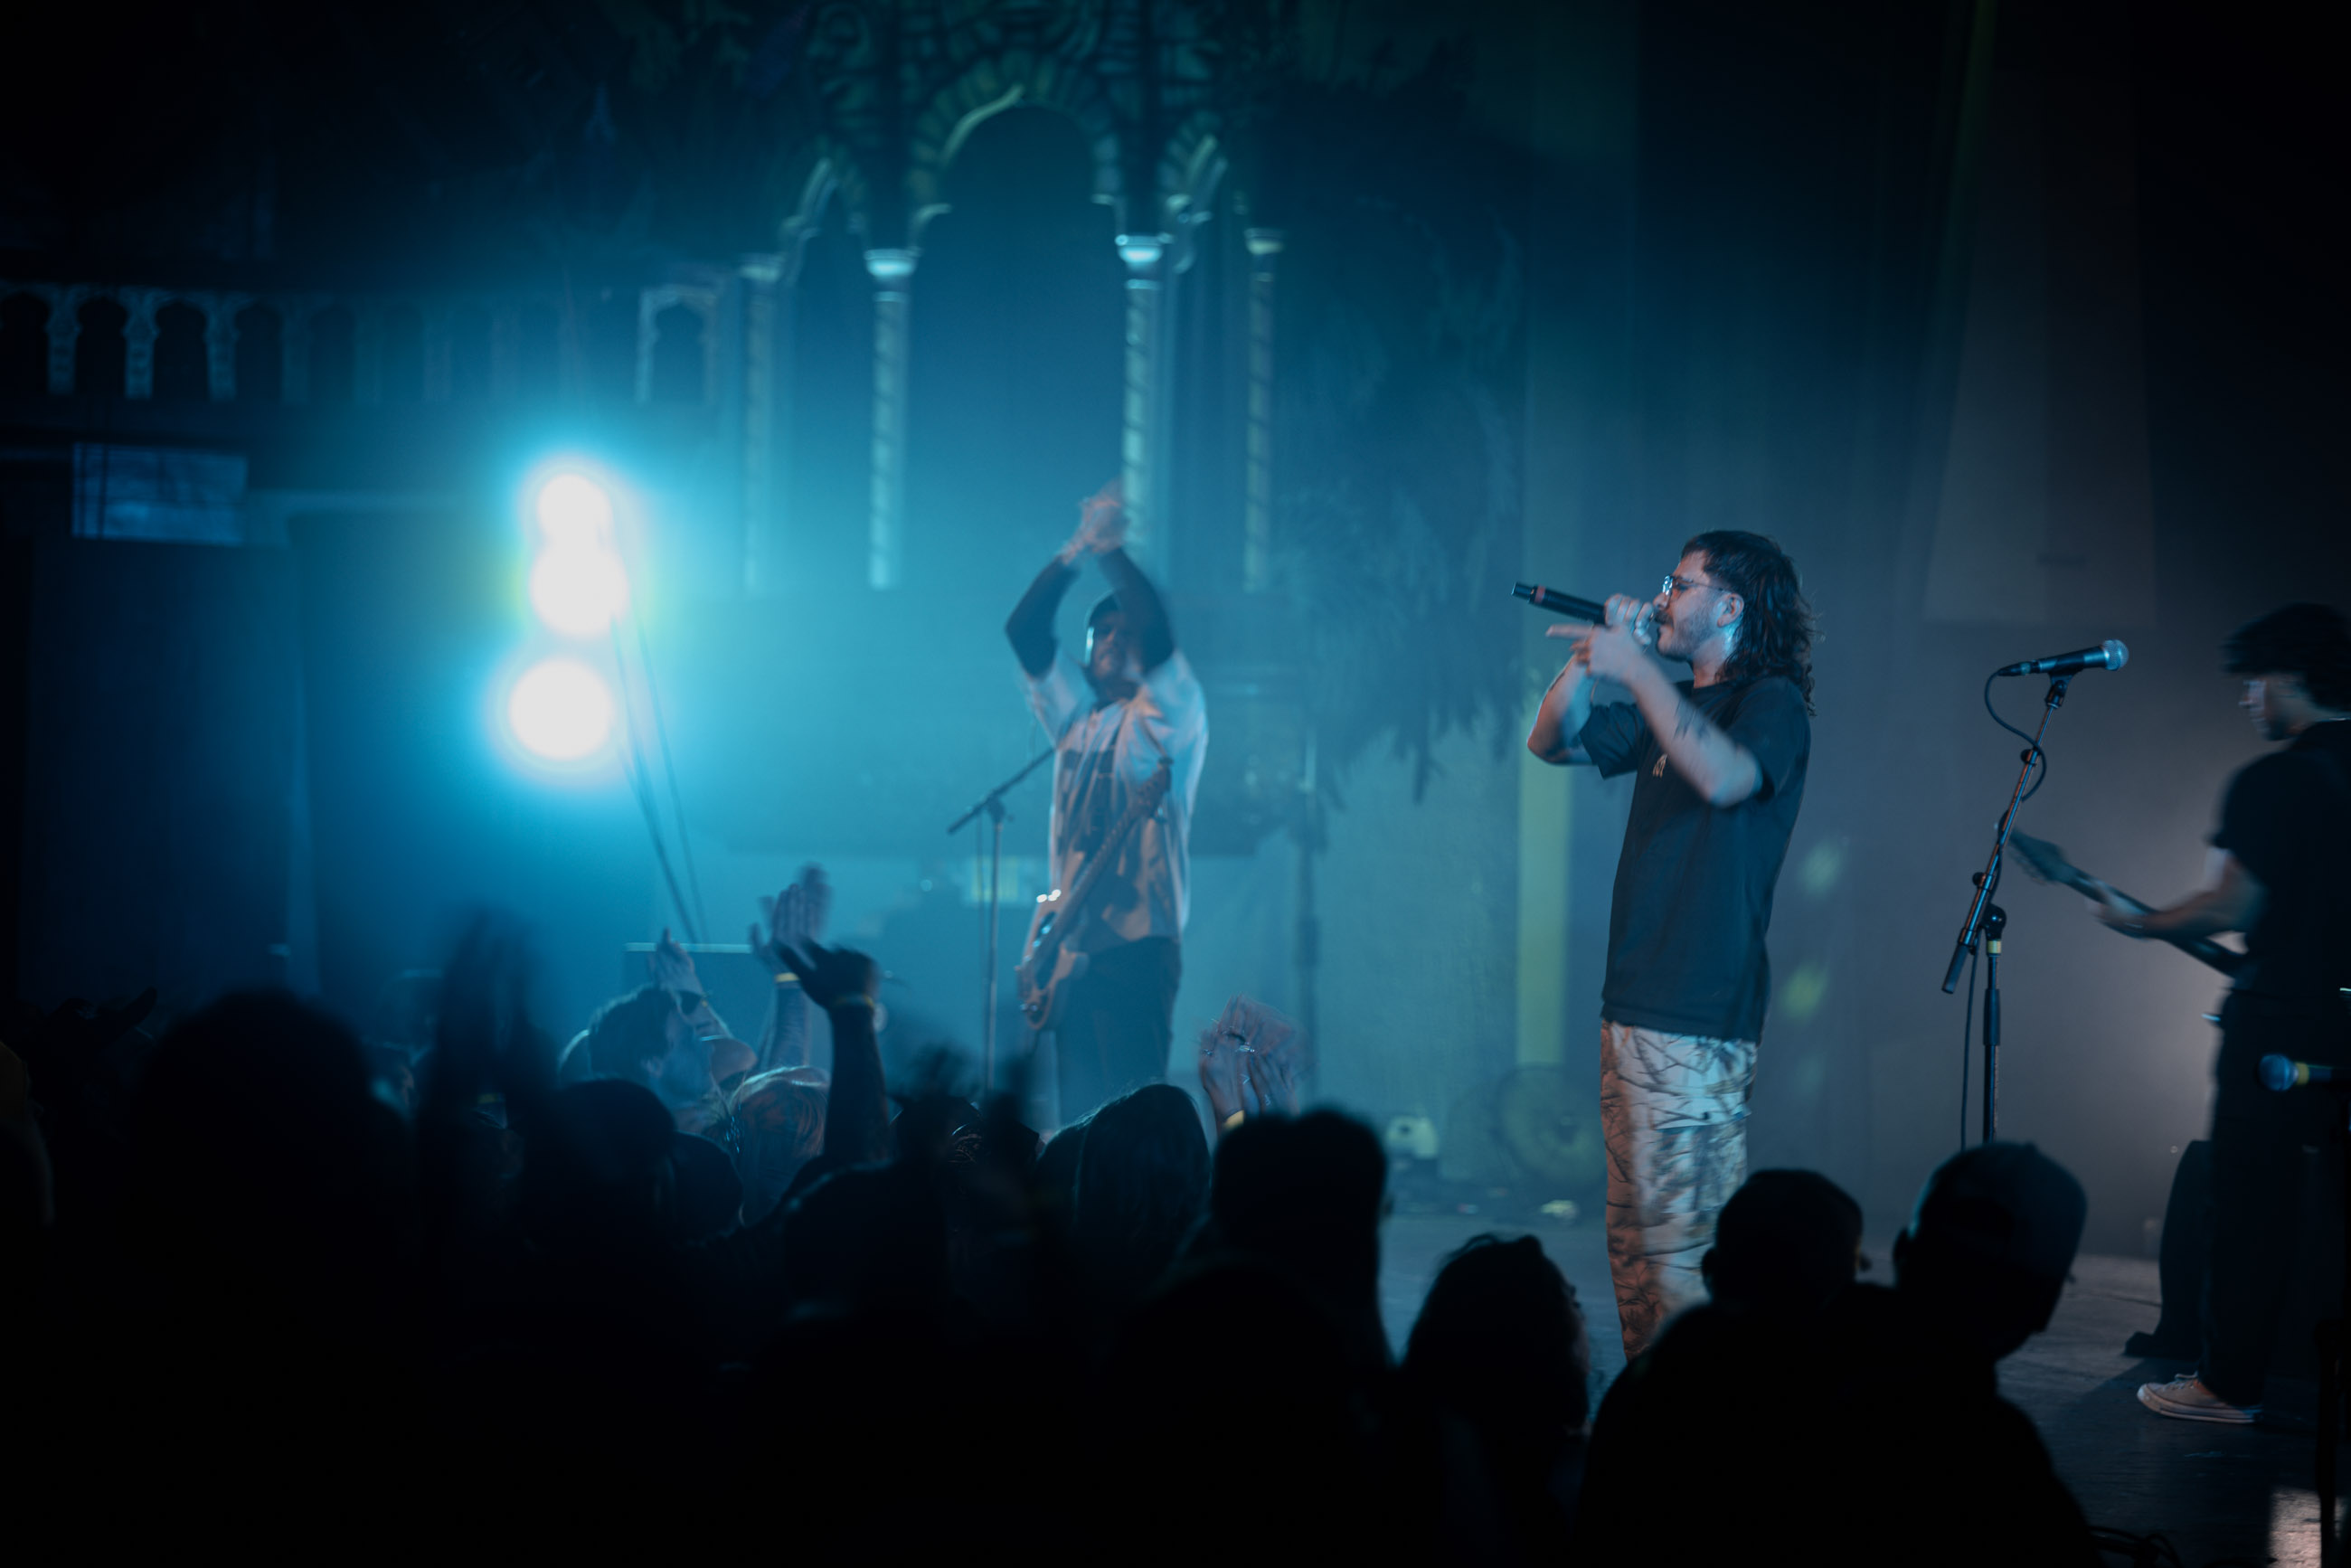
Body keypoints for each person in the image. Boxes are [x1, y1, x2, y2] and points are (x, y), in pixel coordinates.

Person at [1525, 530, 1815, 1357]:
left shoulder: (1771, 702)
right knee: (1633, 1247)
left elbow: (1725, 779)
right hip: (1635, 1002)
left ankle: (1709, 1441)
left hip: (1697, 1010)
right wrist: (1591, 660)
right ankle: (1657, 1428)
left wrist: (1641, 669)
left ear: (1731, 605)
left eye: (1680, 585)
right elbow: (1550, 742)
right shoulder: (1668, 707)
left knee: (1685, 1255)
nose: (1663, 598)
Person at [2095, 603, 2351, 1424]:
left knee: (2252, 1205)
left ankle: (2227, 1385)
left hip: (2278, 1021)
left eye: (2255, 679)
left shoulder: (2274, 780)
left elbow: (2231, 906)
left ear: (2292, 678)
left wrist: (2140, 920)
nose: (2247, 698)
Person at [1004, 480, 1207, 1126]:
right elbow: (1025, 629)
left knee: (1134, 1117)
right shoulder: (1075, 719)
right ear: (1086, 658)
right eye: (1100, 632)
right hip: (1068, 948)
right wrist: (1076, 550)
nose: (1114, 636)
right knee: (1077, 1121)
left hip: (1139, 948)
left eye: (1125, 630)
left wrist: (1114, 552)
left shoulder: (1169, 717)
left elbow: (1159, 629)